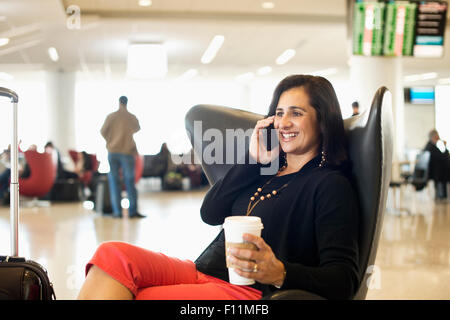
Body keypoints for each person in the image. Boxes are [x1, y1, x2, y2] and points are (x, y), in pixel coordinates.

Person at [78, 75, 359, 300]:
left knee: (147, 296)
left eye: (296, 113)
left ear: (322, 121)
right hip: (206, 270)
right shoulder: (267, 168)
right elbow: (210, 213)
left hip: (250, 292)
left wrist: (280, 272)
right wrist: (251, 160)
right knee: (111, 254)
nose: (284, 123)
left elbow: (344, 280)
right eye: (279, 113)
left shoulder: (330, 185)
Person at [100, 96, 144, 219]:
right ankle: (133, 211)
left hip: (113, 151)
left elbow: (103, 131)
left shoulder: (111, 116)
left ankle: (117, 212)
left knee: (114, 182)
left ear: (119, 102)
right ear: (127, 103)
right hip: (127, 151)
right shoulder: (131, 117)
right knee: (130, 181)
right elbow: (137, 128)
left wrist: (110, 140)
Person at [424, 129, 448, 200]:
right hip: (436, 173)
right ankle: (443, 195)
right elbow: (444, 157)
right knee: (446, 169)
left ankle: (442, 194)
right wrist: (445, 146)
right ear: (435, 137)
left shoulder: (428, 146)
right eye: (437, 137)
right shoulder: (432, 148)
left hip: (433, 172)